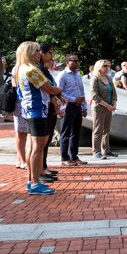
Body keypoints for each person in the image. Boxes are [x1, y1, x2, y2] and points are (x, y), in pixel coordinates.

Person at [15, 41, 62, 194]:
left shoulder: (21, 69)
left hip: (31, 110)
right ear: (29, 52)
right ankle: (35, 183)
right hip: (37, 111)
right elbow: (49, 88)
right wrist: (60, 89)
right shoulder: (30, 70)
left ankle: (31, 180)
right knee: (37, 147)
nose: (39, 54)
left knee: (33, 146)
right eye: (36, 51)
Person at [57, 54, 88, 166]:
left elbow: (81, 91)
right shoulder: (62, 75)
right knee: (65, 132)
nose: (76, 62)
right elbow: (59, 92)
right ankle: (64, 158)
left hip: (78, 106)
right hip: (67, 106)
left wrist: (84, 107)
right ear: (67, 62)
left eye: (77, 60)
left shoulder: (78, 74)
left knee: (76, 132)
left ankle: (74, 156)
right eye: (73, 61)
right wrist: (73, 100)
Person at [38, 43, 63, 182]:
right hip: (42, 108)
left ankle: (44, 167)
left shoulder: (45, 70)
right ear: (41, 53)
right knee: (40, 143)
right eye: (50, 53)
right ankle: (40, 170)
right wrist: (56, 92)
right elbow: (49, 89)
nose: (52, 56)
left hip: (51, 108)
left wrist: (59, 95)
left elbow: (53, 87)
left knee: (45, 141)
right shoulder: (38, 69)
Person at [90, 59, 118, 159]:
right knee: (98, 130)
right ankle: (96, 151)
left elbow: (114, 92)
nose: (107, 68)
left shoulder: (109, 78)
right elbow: (94, 95)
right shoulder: (95, 79)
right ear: (99, 67)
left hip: (109, 107)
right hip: (99, 108)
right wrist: (107, 106)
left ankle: (106, 150)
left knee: (106, 129)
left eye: (108, 66)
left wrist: (114, 103)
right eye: (105, 66)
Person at [11, 65, 28, 170]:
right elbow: (15, 87)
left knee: (24, 133)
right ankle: (22, 160)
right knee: (20, 133)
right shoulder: (17, 68)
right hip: (20, 103)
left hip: (25, 103)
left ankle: (19, 159)